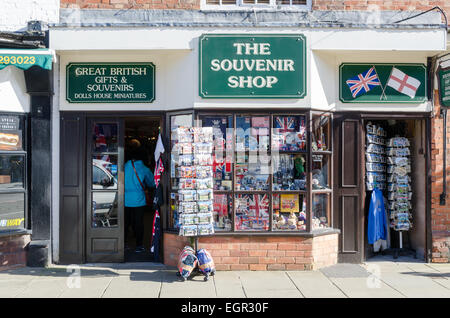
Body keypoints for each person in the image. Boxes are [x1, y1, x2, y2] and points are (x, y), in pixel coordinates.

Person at [124, 144, 155, 253]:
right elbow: (152, 183)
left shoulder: (124, 166)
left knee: (125, 222)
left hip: (125, 199)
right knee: (138, 223)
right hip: (138, 200)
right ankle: (139, 246)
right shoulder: (144, 168)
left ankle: (124, 243)